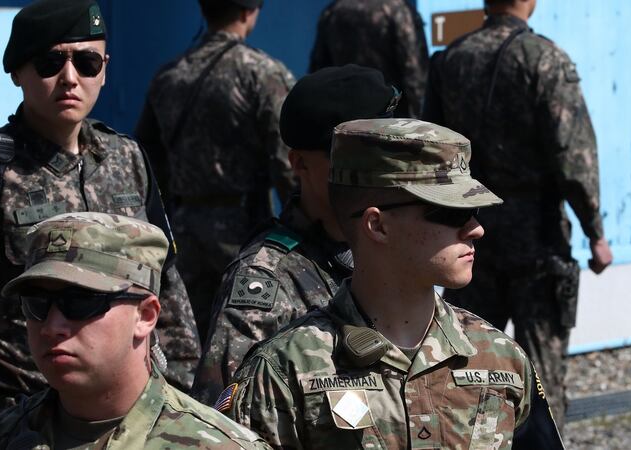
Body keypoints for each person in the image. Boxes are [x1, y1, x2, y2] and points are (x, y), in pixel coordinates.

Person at [0, 1, 200, 448]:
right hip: (28, 422)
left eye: (86, 63)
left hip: (134, 420)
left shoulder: (126, 159)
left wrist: (181, 401)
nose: (70, 79)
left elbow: (167, 290)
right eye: (50, 63)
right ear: (17, 72)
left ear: (104, 70)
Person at [221, 118, 563, 449]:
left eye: (475, 213)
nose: (475, 229)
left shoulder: (501, 360)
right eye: (450, 213)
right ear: (378, 226)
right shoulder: (285, 374)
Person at [422, 0, 613, 428]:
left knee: (465, 366)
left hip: (469, 232)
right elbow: (574, 157)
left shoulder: (451, 59)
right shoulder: (544, 58)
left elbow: (432, 156)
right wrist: (595, 232)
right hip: (536, 236)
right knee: (541, 374)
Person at [0, 212, 270, 449]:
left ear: (145, 316)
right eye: (37, 303)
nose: (53, 326)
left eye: (81, 302)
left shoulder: (218, 444)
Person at [191, 65, 401, 405]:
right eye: (351, 156)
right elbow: (220, 423)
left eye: (385, 152)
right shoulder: (267, 280)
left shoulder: (398, 244)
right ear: (299, 163)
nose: (373, 170)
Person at [135, 0, 296, 341]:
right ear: (247, 12)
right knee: (249, 337)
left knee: (188, 338)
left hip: (182, 232)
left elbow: (147, 163)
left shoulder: (170, 76)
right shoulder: (262, 72)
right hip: (244, 232)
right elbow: (288, 163)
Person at [309, 0, 429, 118]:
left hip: (344, 118)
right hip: (390, 116)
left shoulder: (333, 11)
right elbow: (415, 72)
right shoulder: (397, 10)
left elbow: (318, 71)